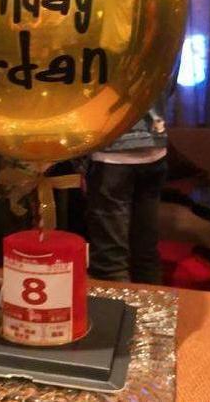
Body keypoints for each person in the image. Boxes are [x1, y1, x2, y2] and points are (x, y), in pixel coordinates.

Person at [85, 98, 169, 283]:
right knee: (146, 252)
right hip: (154, 145)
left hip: (112, 152)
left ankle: (114, 302)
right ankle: (150, 301)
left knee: (110, 260)